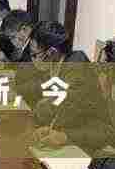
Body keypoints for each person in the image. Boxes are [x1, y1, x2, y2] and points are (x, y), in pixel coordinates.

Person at [28, 21, 113, 155]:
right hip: (76, 132)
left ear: (51, 52)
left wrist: (65, 136)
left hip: (96, 144)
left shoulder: (76, 70)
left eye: (34, 54)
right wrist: (50, 128)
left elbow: (104, 131)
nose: (32, 59)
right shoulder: (59, 64)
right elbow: (56, 110)